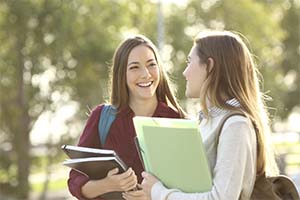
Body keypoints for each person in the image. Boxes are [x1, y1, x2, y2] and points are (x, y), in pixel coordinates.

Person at [138, 30, 279, 200]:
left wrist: (158, 192)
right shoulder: (207, 121)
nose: (185, 72)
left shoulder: (236, 125)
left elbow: (221, 198)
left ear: (210, 66)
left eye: (190, 62)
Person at [67, 35, 185, 200]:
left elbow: (192, 189)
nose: (145, 74)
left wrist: (156, 195)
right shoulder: (102, 117)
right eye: (134, 67)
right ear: (121, 74)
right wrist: (107, 185)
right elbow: (75, 181)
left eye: (151, 65)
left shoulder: (179, 121)